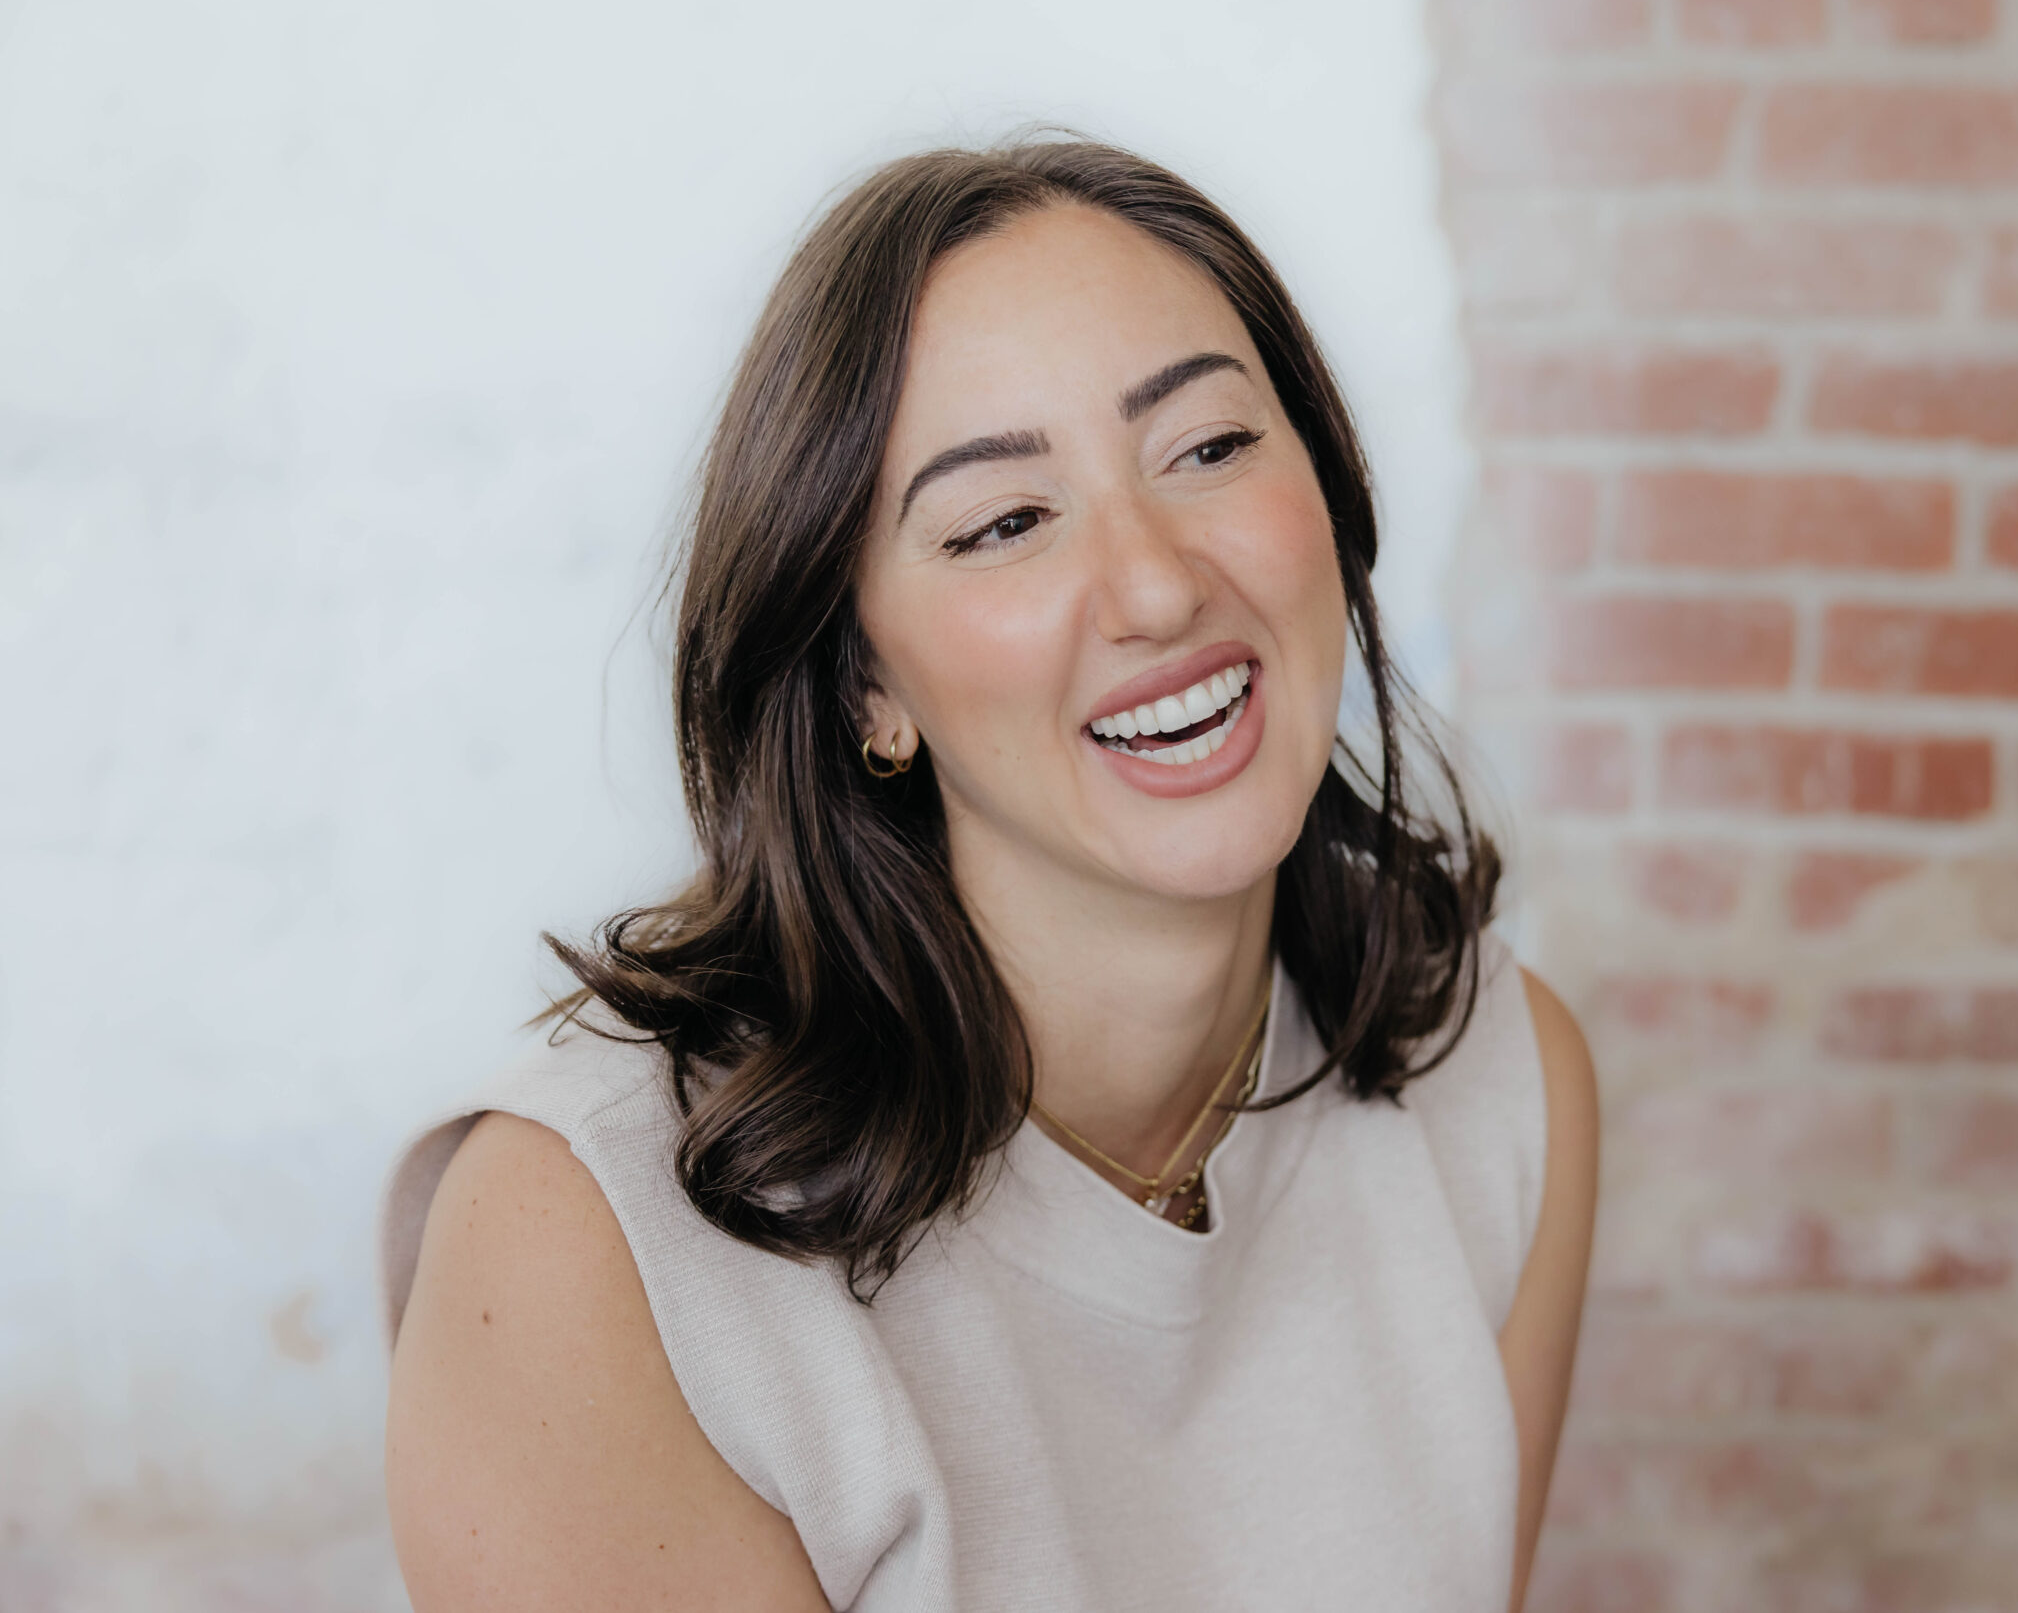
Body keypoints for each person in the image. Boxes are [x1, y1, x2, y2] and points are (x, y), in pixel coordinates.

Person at [377, 138, 1598, 1612]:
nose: (1157, 585)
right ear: (865, 689)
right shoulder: (595, 1247)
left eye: (1209, 448)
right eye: (1004, 522)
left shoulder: (1499, 1084)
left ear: (1330, 503)